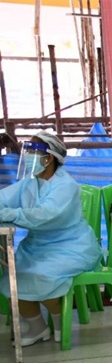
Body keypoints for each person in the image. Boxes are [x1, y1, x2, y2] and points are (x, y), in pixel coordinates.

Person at [0, 131, 101, 345]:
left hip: (70, 247)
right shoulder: (31, 182)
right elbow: (4, 198)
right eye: (27, 151)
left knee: (43, 277)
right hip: (36, 247)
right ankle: (38, 328)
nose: (28, 157)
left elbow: (45, 215)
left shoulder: (65, 185)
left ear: (49, 158)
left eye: (33, 152)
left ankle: (60, 323)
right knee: (13, 279)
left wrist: (11, 214)